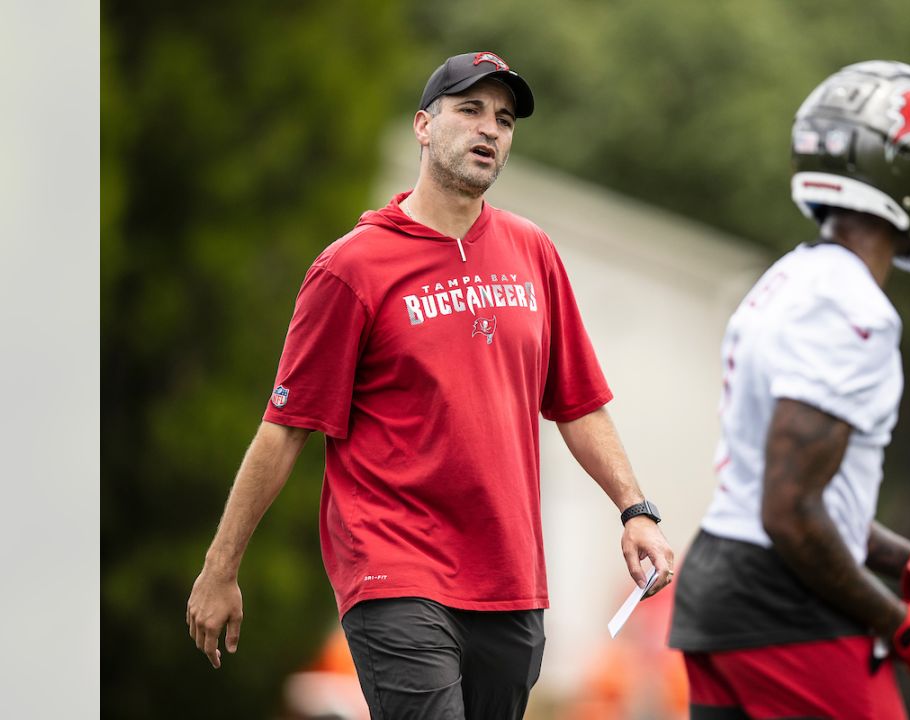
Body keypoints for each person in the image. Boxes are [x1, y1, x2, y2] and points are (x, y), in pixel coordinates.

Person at [185, 51, 675, 720]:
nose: (489, 129)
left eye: (503, 119)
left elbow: (579, 403)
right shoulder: (352, 268)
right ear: (423, 125)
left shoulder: (533, 252)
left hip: (510, 582)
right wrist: (221, 567)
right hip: (395, 570)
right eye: (469, 110)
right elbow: (286, 427)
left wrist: (635, 510)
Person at [668, 60, 910, 720]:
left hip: (725, 585)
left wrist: (902, 556)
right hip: (783, 605)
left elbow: (796, 484)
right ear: (901, 170)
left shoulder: (793, 278)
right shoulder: (853, 307)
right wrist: (899, 621)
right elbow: (790, 510)